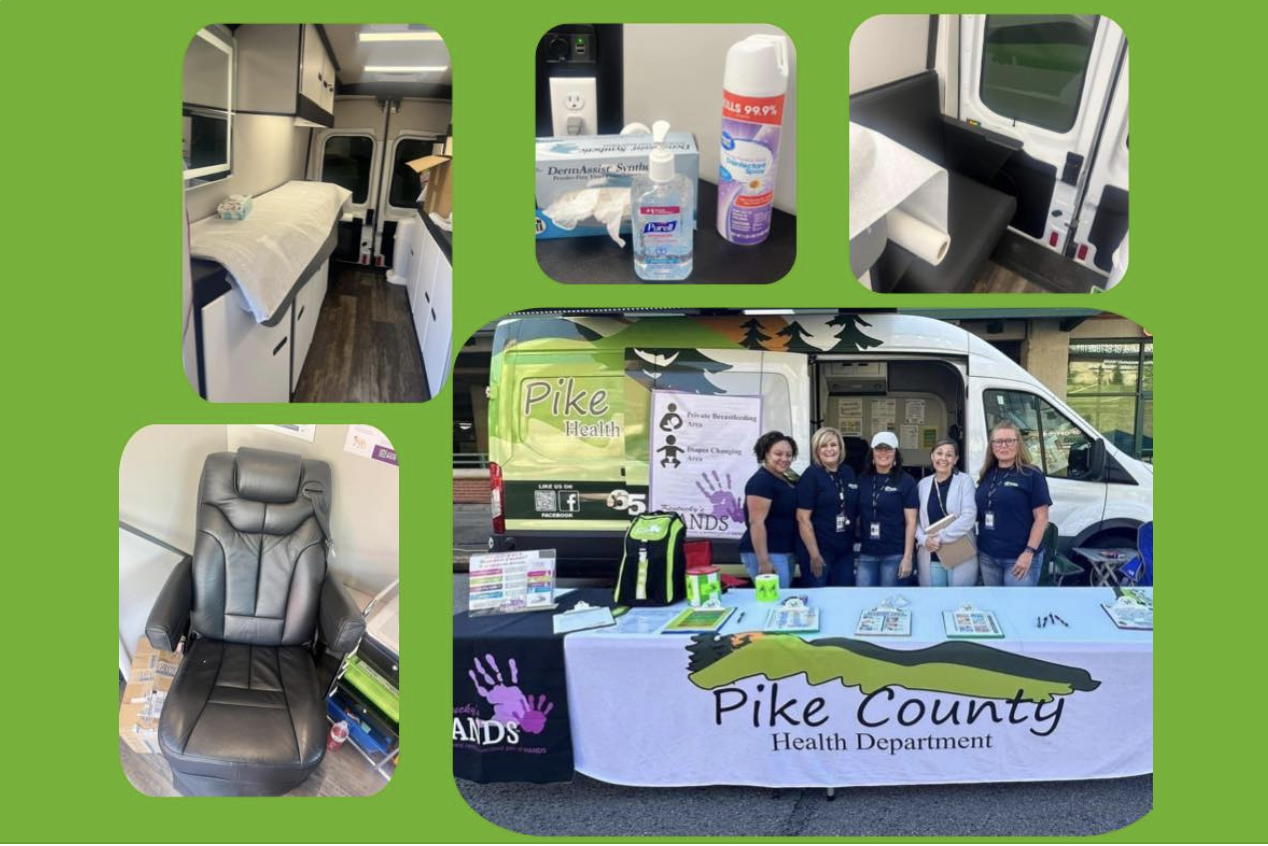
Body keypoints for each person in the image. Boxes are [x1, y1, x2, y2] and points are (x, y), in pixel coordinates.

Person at [976, 421, 1052, 586]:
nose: (1003, 445)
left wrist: (1029, 552)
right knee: (993, 607)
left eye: (1009, 441)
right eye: (998, 441)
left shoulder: (1032, 475)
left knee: (1017, 609)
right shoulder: (987, 473)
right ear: (992, 446)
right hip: (988, 556)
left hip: (1018, 558)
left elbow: (1042, 518)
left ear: (1018, 444)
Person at [795, 427, 860, 587]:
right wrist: (814, 554)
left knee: (844, 595)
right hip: (819, 550)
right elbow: (803, 518)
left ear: (841, 448)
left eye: (833, 445)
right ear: (817, 450)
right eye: (823, 446)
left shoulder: (848, 472)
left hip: (844, 549)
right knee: (819, 596)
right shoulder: (811, 476)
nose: (829, 449)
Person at [738, 431, 800, 588]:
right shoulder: (761, 481)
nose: (784, 459)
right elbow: (756, 523)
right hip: (769, 553)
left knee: (781, 598)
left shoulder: (784, 477)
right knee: (774, 601)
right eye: (778, 454)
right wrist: (764, 562)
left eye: (789, 455)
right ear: (766, 453)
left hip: (784, 550)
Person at [856, 432, 918, 587]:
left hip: (895, 554)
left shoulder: (906, 482)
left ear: (895, 454)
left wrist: (908, 557)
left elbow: (911, 522)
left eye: (888, 449)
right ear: (872, 453)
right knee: (862, 600)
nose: (883, 453)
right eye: (879, 449)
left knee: (889, 605)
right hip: (867, 553)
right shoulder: (862, 480)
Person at [915, 439, 978, 586]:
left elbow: (969, 517)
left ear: (955, 459)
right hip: (930, 554)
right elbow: (915, 520)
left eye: (949, 455)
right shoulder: (922, 484)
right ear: (932, 456)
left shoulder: (964, 481)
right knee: (934, 603)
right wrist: (924, 540)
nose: (943, 458)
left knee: (959, 603)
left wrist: (939, 537)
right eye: (939, 453)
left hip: (960, 553)